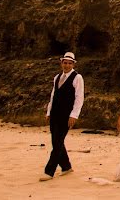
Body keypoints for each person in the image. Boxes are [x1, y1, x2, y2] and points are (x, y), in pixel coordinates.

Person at [41, 51, 84, 181]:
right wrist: (49, 112)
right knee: (56, 141)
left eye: (69, 63)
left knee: (58, 142)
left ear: (73, 64)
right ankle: (66, 166)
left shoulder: (77, 78)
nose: (67, 65)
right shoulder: (57, 77)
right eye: (65, 63)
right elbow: (53, 96)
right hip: (55, 113)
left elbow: (79, 98)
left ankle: (49, 171)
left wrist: (74, 115)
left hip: (66, 114)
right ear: (61, 63)